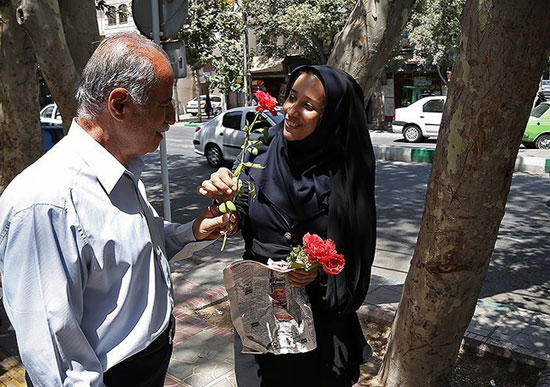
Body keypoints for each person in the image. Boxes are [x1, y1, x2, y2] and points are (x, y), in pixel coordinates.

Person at [0, 33, 233, 387]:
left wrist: (194, 231)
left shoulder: (120, 170)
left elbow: (140, 250)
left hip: (147, 366)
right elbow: (54, 354)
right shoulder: (47, 202)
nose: (172, 118)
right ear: (120, 105)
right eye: (163, 104)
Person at [198, 65, 377, 386]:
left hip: (318, 322)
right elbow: (242, 202)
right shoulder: (264, 148)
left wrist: (318, 273)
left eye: (308, 106)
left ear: (330, 117)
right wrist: (227, 211)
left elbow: (355, 256)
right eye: (291, 97)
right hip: (259, 312)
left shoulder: (345, 175)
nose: (291, 111)